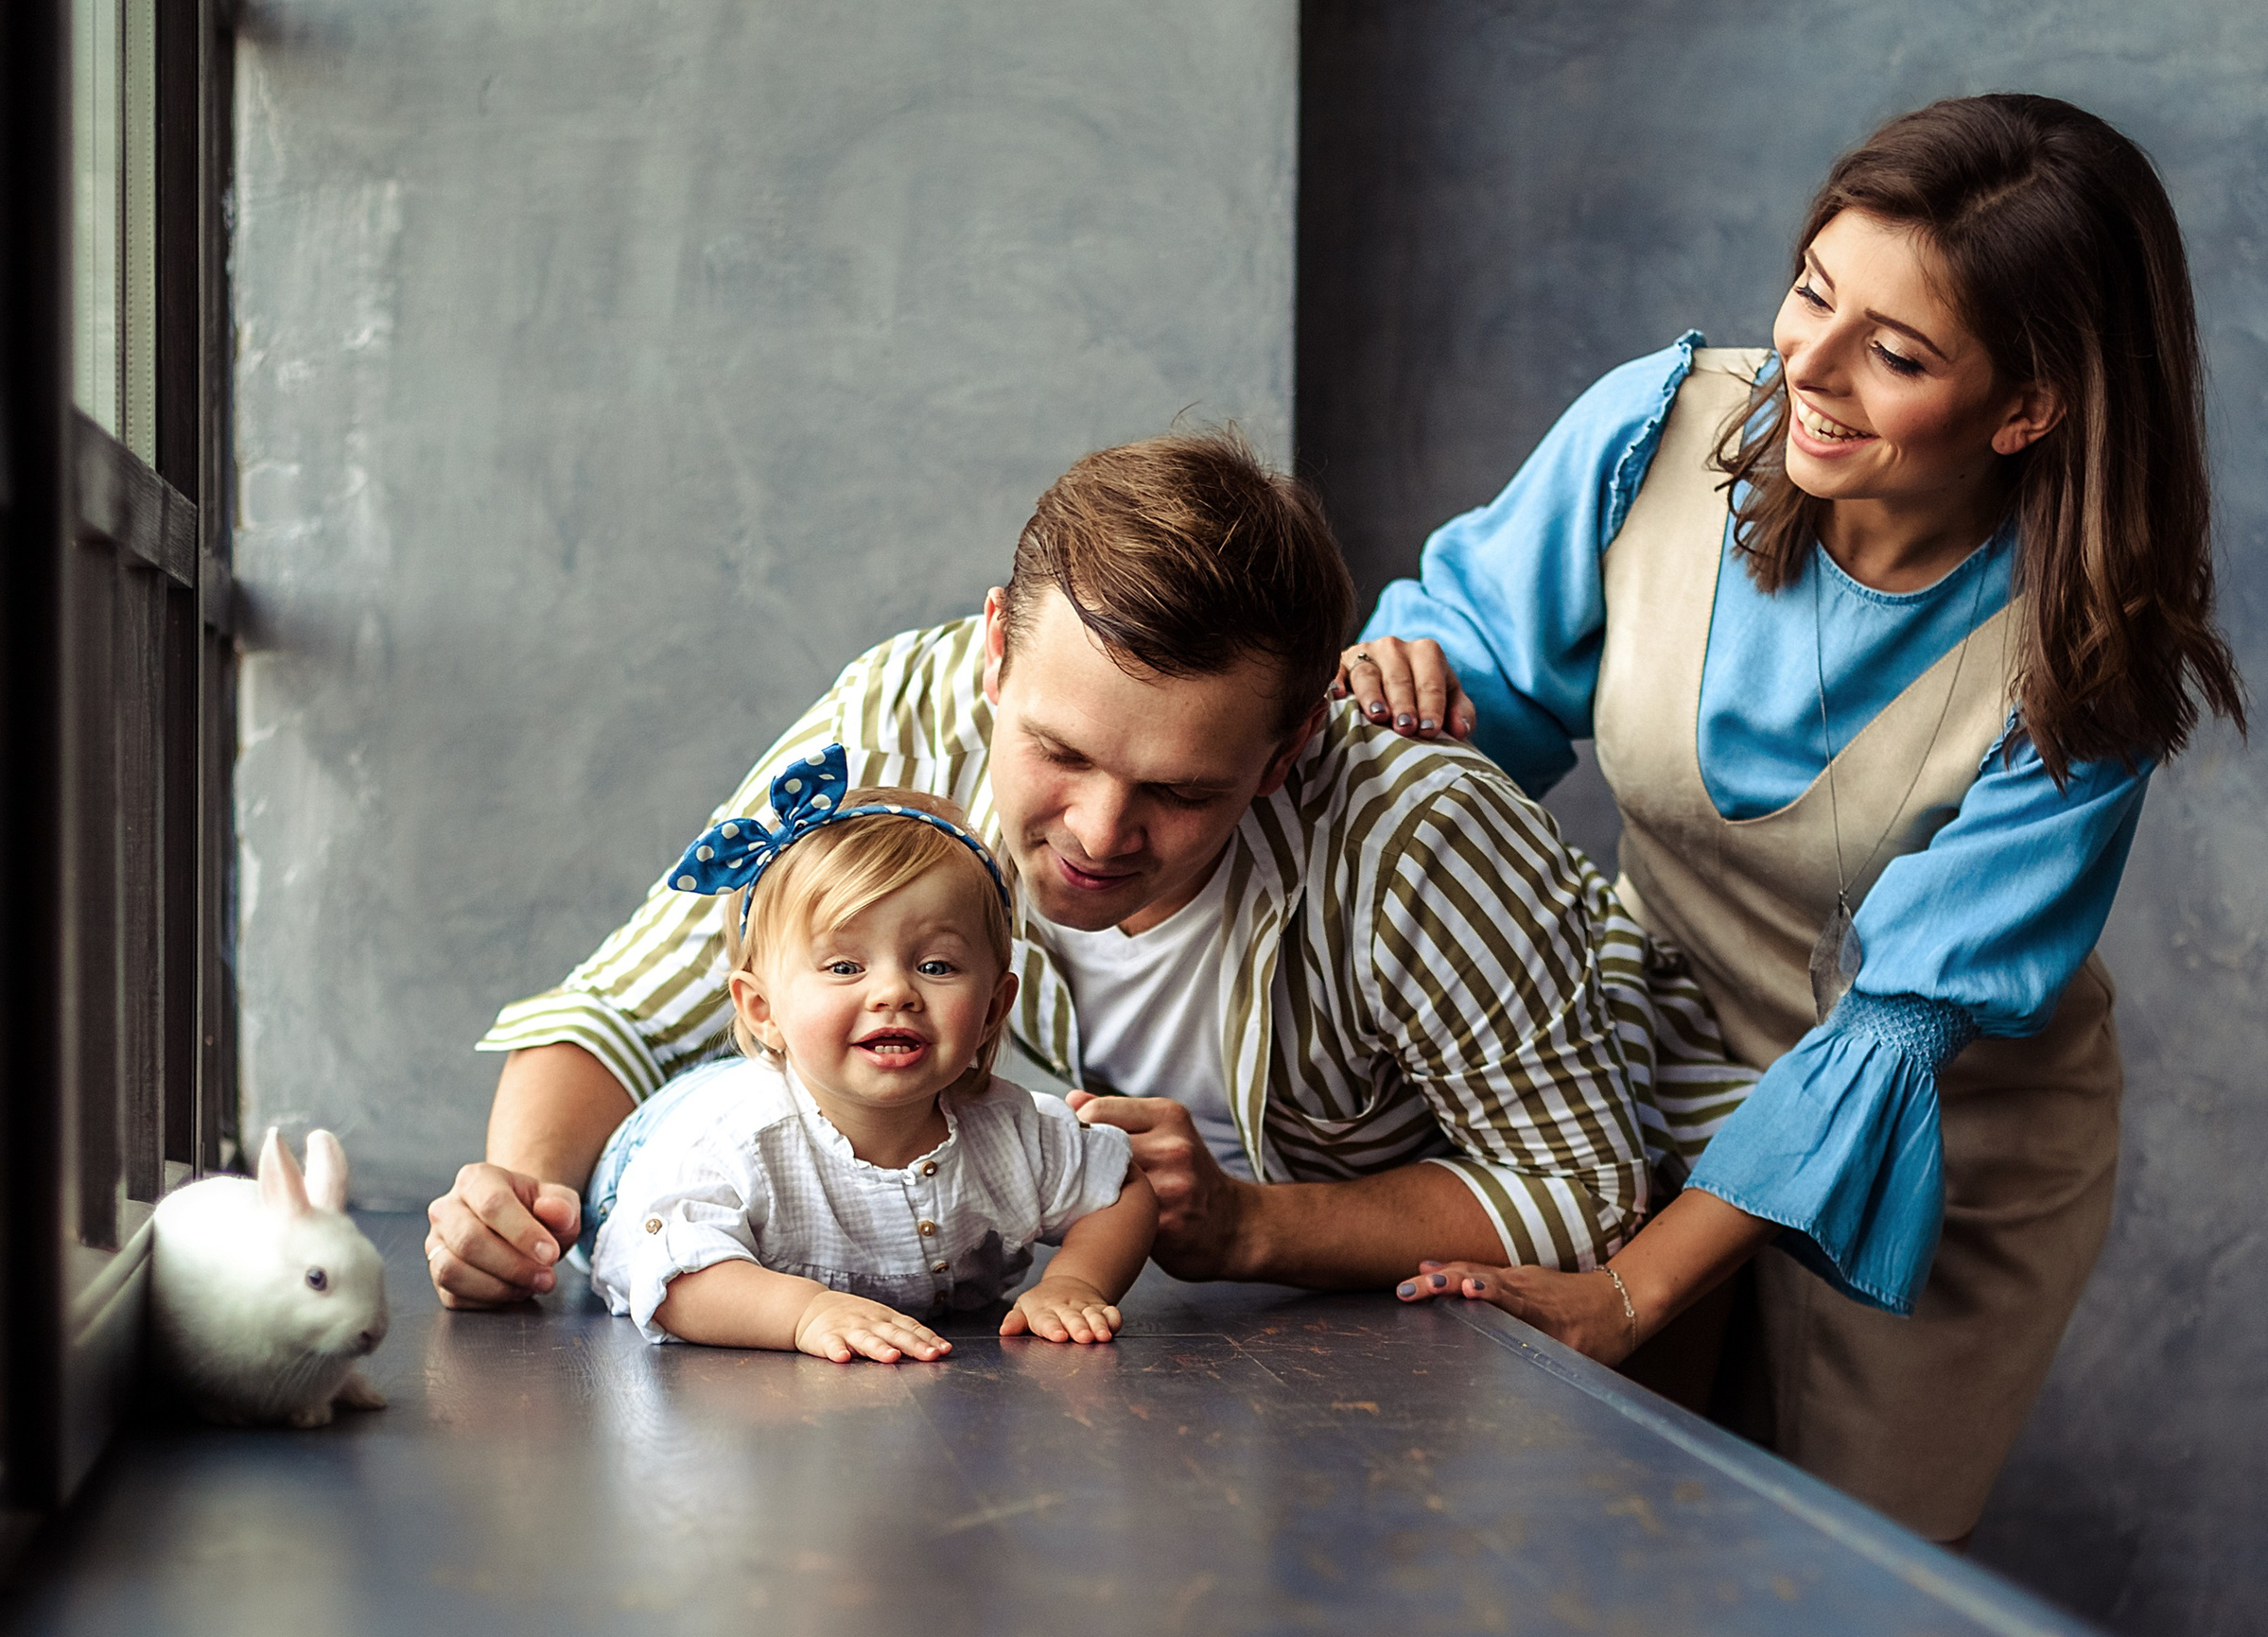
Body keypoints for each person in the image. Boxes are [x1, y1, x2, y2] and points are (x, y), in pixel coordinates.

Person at [1349, 95, 2244, 1541]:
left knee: (1822, 1591)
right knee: (1595, 1549)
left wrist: (1629, 1289)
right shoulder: (1660, 437)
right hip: (1646, 1056)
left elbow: (1897, 1024)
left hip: (1938, 1155)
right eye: (1812, 293)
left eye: (1894, 354)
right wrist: (1409, 684)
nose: (1805, 371)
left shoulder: (2086, 660)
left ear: (2028, 406)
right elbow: (1483, 690)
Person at [428, 429, 1753, 1325]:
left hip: (1660, 1225)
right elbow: (622, 1004)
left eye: (1182, 791)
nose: (1100, 835)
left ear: (1292, 741)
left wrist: (1247, 1229)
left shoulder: (1422, 834)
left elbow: (1584, 1191)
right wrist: (520, 1201)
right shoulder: (900, 712)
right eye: (1057, 752)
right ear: (996, 654)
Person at [582, 760, 1158, 1362]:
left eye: (935, 967)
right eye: (845, 967)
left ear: (993, 1008)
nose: (894, 993)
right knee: (679, 1171)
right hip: (655, 1142)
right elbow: (673, 1278)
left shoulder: (1015, 1133)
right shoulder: (728, 1145)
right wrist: (804, 1312)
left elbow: (1122, 1191)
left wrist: (1076, 1282)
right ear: (762, 1010)